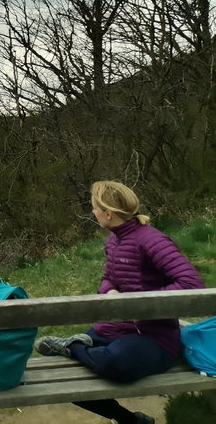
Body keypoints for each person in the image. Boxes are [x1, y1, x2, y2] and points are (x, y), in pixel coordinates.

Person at [33, 180, 204, 424]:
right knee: (59, 380)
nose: (93, 212)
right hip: (119, 328)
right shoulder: (113, 242)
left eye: (94, 208)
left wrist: (136, 301)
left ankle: (74, 347)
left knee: (113, 362)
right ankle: (130, 420)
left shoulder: (152, 240)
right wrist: (111, 291)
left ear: (108, 213)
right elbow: (107, 279)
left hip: (156, 337)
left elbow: (191, 285)